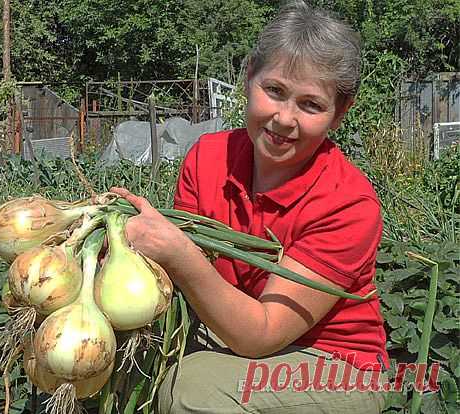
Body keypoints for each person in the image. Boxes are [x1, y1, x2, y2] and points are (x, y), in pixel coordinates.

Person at [111, 1, 389, 412]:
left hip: (331, 363)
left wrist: (177, 252)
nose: (284, 118)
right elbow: (177, 284)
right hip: (233, 334)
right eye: (274, 91)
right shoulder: (207, 158)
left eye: (310, 105)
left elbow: (260, 333)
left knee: (193, 389)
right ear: (248, 77)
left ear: (339, 113)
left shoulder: (348, 204)